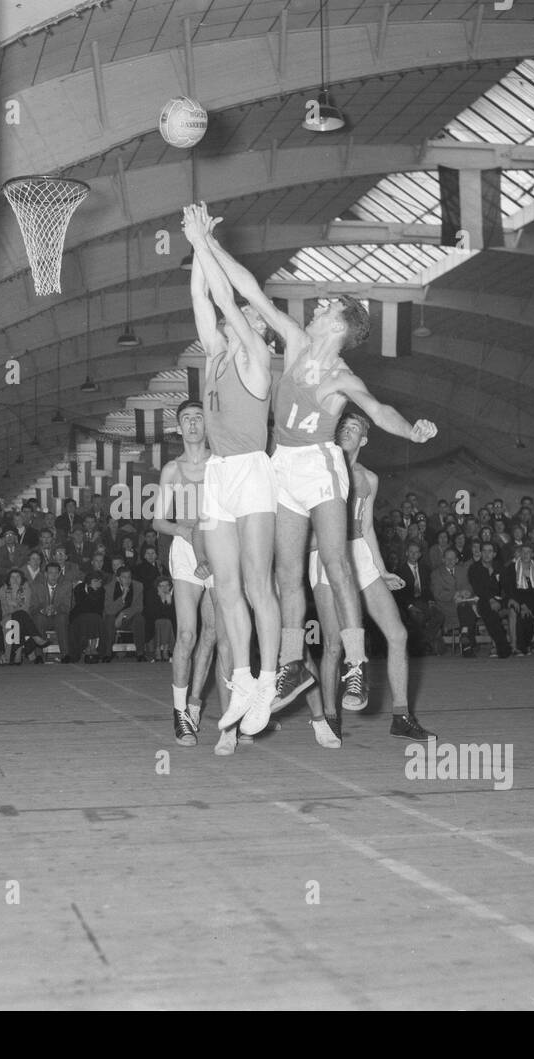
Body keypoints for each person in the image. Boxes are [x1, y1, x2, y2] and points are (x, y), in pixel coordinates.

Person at [181, 203, 279, 748]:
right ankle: (241, 680)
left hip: (252, 472)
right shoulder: (216, 355)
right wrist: (200, 244)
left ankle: (267, 682)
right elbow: (203, 297)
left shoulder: (257, 359)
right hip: (219, 473)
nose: (249, 317)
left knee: (258, 585)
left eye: (256, 317)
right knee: (225, 588)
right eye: (248, 316)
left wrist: (201, 242)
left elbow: (224, 297)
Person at [306, 412, 432, 742]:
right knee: (333, 644)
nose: (347, 432)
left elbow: (366, 528)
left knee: (398, 634)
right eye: (343, 427)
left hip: (359, 553)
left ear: (363, 439)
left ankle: (402, 715)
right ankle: (330, 718)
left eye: (355, 429)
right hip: (326, 556)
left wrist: (381, 569)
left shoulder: (369, 479)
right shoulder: (319, 471)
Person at [153, 399, 221, 746]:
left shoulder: (221, 464)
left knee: (214, 632)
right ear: (179, 429)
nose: (193, 424)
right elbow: (158, 519)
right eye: (186, 420)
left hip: (218, 547)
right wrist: (183, 531)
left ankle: (195, 703)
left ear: (206, 425)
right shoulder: (172, 469)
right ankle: (179, 713)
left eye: (198, 417)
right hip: (184, 551)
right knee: (187, 634)